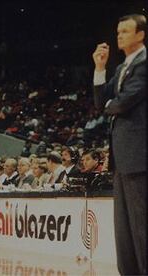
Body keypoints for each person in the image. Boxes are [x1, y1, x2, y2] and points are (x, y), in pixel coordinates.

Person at [92, 14, 146, 275]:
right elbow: (101, 101)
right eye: (118, 31)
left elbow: (123, 102)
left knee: (142, 225)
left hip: (139, 155)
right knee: (124, 227)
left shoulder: (145, 64)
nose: (120, 35)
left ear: (140, 35)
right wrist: (100, 68)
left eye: (126, 31)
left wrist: (109, 106)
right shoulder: (121, 67)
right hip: (122, 156)